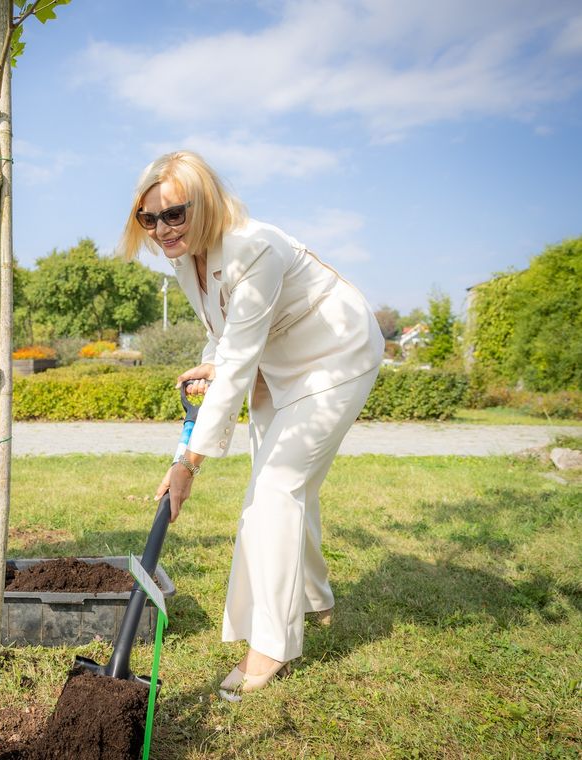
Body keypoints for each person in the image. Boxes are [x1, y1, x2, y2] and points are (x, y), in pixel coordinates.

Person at [118, 150, 384, 700]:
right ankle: (315, 596)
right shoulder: (184, 255)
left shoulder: (251, 246)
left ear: (206, 204)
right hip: (277, 362)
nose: (161, 229)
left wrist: (188, 461)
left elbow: (239, 355)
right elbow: (228, 328)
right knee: (287, 488)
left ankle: (271, 645)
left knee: (274, 490)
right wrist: (213, 358)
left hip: (334, 354)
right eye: (149, 219)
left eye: (174, 214)